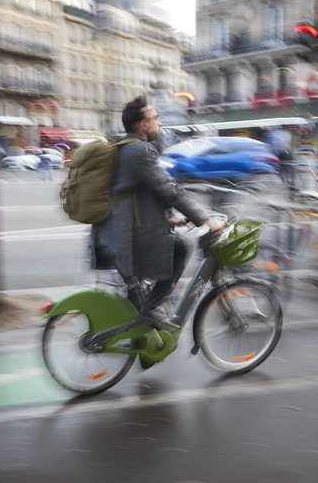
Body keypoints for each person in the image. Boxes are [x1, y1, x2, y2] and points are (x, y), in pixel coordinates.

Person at [91, 95, 225, 331]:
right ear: (141, 124)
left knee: (140, 296)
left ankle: (145, 339)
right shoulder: (140, 150)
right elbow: (169, 191)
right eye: (155, 118)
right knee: (181, 247)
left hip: (113, 231)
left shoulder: (125, 147)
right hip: (124, 236)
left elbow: (138, 193)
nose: (159, 123)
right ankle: (153, 308)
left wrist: (170, 218)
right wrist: (204, 219)